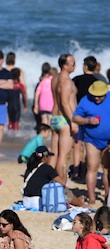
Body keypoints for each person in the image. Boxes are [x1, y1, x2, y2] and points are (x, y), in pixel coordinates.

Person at [73, 81, 110, 205]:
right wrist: (88, 120)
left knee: (106, 169)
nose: (96, 98)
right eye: (95, 95)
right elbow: (75, 117)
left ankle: (107, 198)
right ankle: (92, 198)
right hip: (91, 139)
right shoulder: (86, 100)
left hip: (108, 141)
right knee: (92, 168)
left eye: (100, 96)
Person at [52, 54, 79, 183]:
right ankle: (61, 184)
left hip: (55, 118)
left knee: (54, 154)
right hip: (65, 120)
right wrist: (73, 122)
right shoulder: (67, 81)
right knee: (64, 156)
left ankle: (50, 182)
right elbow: (64, 103)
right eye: (73, 63)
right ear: (65, 65)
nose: (75, 65)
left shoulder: (55, 78)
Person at [33, 62, 54, 127]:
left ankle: (44, 136)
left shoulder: (42, 81)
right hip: (50, 105)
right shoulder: (53, 80)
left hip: (42, 105)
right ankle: (50, 136)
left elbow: (37, 93)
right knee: (50, 123)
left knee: (44, 123)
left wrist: (36, 105)